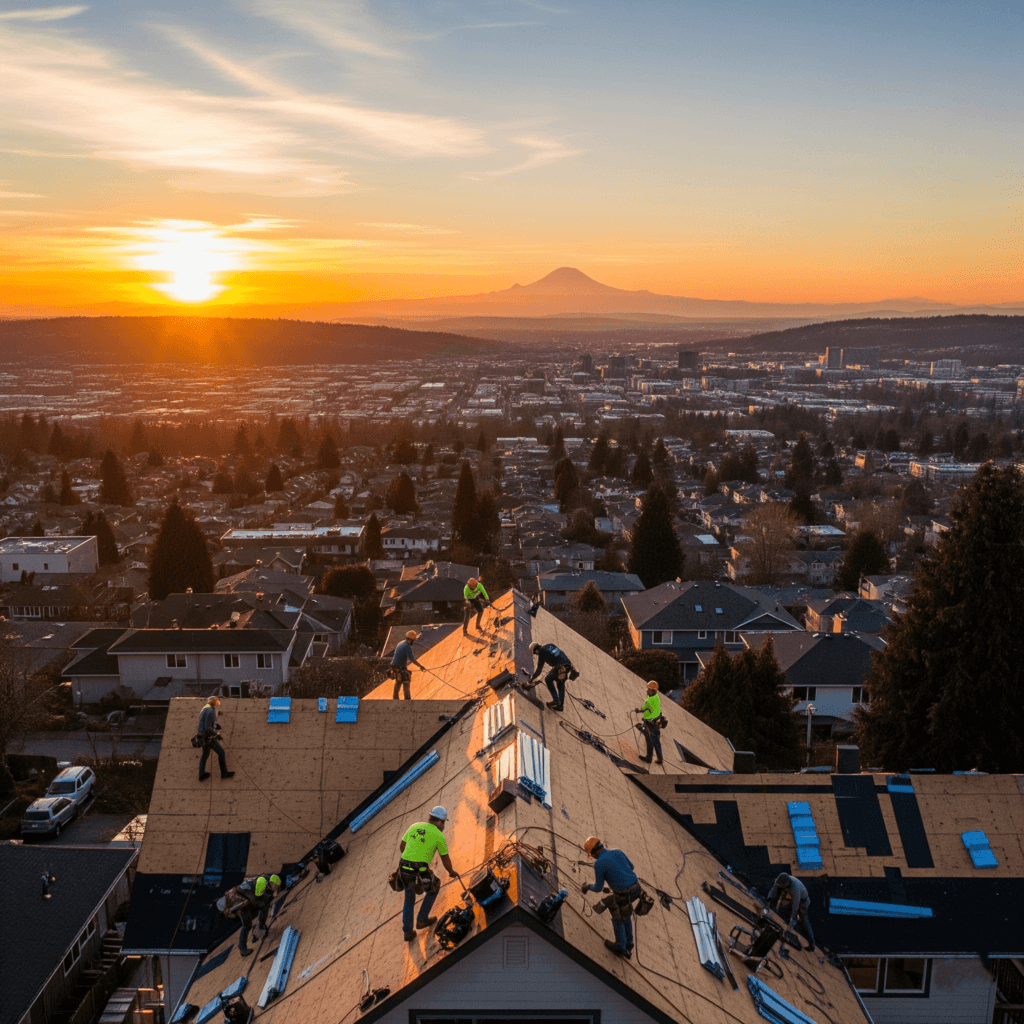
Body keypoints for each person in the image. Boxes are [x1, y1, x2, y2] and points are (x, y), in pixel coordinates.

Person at [397, 805, 459, 941]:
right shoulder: (438, 835)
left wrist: (411, 858)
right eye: (443, 823)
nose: (443, 826)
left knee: (409, 899)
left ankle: (407, 933)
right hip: (419, 869)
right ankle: (422, 919)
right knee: (434, 886)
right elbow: (445, 859)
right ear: (440, 821)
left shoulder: (414, 826)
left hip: (403, 867)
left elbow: (402, 846)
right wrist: (451, 872)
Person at [581, 836, 640, 959]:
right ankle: (629, 945)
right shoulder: (617, 851)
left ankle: (620, 947)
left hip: (624, 895)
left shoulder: (599, 864)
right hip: (636, 889)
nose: (593, 857)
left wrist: (587, 887)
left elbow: (598, 888)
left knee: (618, 917)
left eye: (592, 855)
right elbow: (632, 867)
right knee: (626, 913)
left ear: (594, 852)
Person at [231, 874, 282, 956]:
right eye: (275, 886)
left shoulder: (264, 880)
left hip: (246, 898)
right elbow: (257, 898)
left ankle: (261, 926)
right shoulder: (262, 883)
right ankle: (242, 949)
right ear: (271, 883)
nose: (275, 888)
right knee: (247, 925)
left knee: (265, 906)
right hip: (240, 902)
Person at [766, 872, 815, 952]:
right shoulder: (780, 879)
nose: (778, 885)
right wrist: (767, 904)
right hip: (790, 895)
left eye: (780, 885)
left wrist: (793, 919)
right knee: (781, 905)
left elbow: (795, 907)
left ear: (785, 885)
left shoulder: (795, 888)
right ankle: (788, 922)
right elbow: (773, 890)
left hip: (803, 901)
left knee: (804, 921)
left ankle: (812, 944)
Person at [526, 641, 574, 711]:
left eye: (535, 653)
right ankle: (560, 706)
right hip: (568, 666)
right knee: (560, 684)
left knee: (548, 679)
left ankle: (556, 701)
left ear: (536, 650)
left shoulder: (542, 652)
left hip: (560, 667)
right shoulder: (550, 645)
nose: (536, 654)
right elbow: (558, 654)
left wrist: (531, 679)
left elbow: (539, 670)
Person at [197, 698, 234, 782]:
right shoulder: (211, 711)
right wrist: (216, 735)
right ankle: (224, 773)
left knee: (205, 755)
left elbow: (205, 723)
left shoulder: (204, 709)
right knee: (221, 752)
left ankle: (201, 774)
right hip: (208, 737)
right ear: (214, 703)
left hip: (201, 736)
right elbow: (208, 727)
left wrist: (216, 726)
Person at [635, 680, 663, 765]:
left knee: (654, 740)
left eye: (649, 690)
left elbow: (656, 712)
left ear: (653, 691)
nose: (647, 691)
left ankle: (654, 758)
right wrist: (639, 710)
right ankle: (652, 757)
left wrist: (651, 719)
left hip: (653, 724)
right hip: (649, 723)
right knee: (651, 740)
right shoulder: (650, 698)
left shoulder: (655, 700)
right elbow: (646, 706)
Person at [391, 630, 425, 700]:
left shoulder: (401, 643)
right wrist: (421, 666)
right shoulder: (407, 647)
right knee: (406, 681)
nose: (413, 642)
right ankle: (407, 700)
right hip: (400, 667)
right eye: (413, 640)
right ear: (411, 639)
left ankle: (395, 699)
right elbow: (412, 659)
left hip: (395, 666)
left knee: (398, 682)